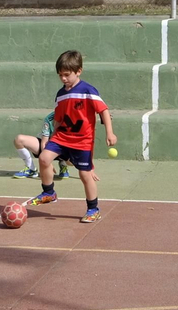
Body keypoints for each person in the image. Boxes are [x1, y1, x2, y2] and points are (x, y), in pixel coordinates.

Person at [27, 50, 117, 224]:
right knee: (44, 158)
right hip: (62, 137)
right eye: (60, 75)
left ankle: (93, 209)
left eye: (67, 75)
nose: (63, 78)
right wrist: (52, 138)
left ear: (79, 71)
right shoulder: (61, 95)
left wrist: (110, 132)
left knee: (85, 175)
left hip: (83, 141)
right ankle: (49, 192)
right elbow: (59, 119)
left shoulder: (88, 90)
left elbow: (104, 111)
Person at [12, 111, 70, 181]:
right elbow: (44, 143)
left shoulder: (74, 118)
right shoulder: (49, 118)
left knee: (73, 160)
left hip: (64, 147)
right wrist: (48, 163)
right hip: (48, 147)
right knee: (19, 140)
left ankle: (63, 165)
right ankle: (31, 169)